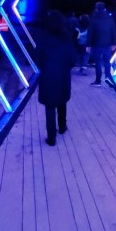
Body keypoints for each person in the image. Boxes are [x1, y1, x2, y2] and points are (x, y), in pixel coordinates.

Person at [33, 9, 75, 146]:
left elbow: (37, 58)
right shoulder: (67, 38)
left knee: (50, 106)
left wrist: (45, 67)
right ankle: (62, 127)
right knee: (62, 101)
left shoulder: (43, 39)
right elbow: (72, 59)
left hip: (48, 77)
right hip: (63, 76)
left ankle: (51, 137)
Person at [87, 1, 116, 85]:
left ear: (96, 8)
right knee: (107, 61)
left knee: (98, 62)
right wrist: (114, 43)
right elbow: (113, 30)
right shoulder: (109, 18)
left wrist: (88, 44)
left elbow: (90, 32)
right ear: (104, 8)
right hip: (107, 43)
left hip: (96, 43)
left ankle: (98, 80)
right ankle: (107, 76)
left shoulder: (94, 18)